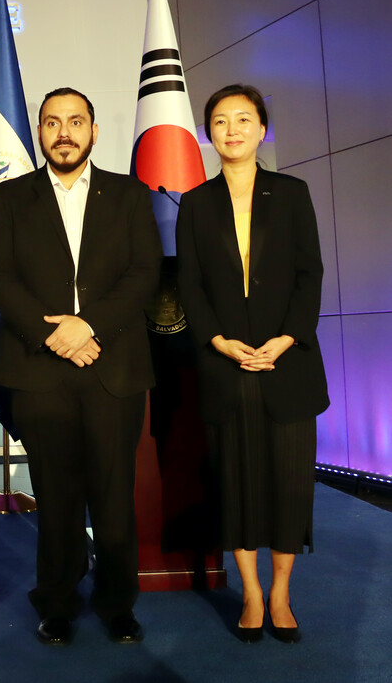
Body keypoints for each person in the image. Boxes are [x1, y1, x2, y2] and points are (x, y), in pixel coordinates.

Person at [0, 87, 161, 646]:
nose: (64, 131)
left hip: (114, 368)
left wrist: (89, 326)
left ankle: (116, 603)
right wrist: (55, 333)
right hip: (40, 371)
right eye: (53, 122)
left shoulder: (130, 194)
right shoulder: (9, 197)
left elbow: (144, 272)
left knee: (113, 497)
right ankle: (55, 602)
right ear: (39, 132)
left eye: (75, 121)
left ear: (93, 131)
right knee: (55, 498)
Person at [176, 84, 328, 644]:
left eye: (243, 119)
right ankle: (252, 593)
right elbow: (190, 285)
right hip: (226, 365)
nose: (232, 129)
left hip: (287, 365)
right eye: (220, 121)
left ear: (262, 129)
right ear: (208, 133)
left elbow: (309, 275)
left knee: (289, 486)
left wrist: (288, 338)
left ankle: (283, 593)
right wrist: (217, 341)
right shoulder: (195, 203)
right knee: (236, 485)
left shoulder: (292, 193)